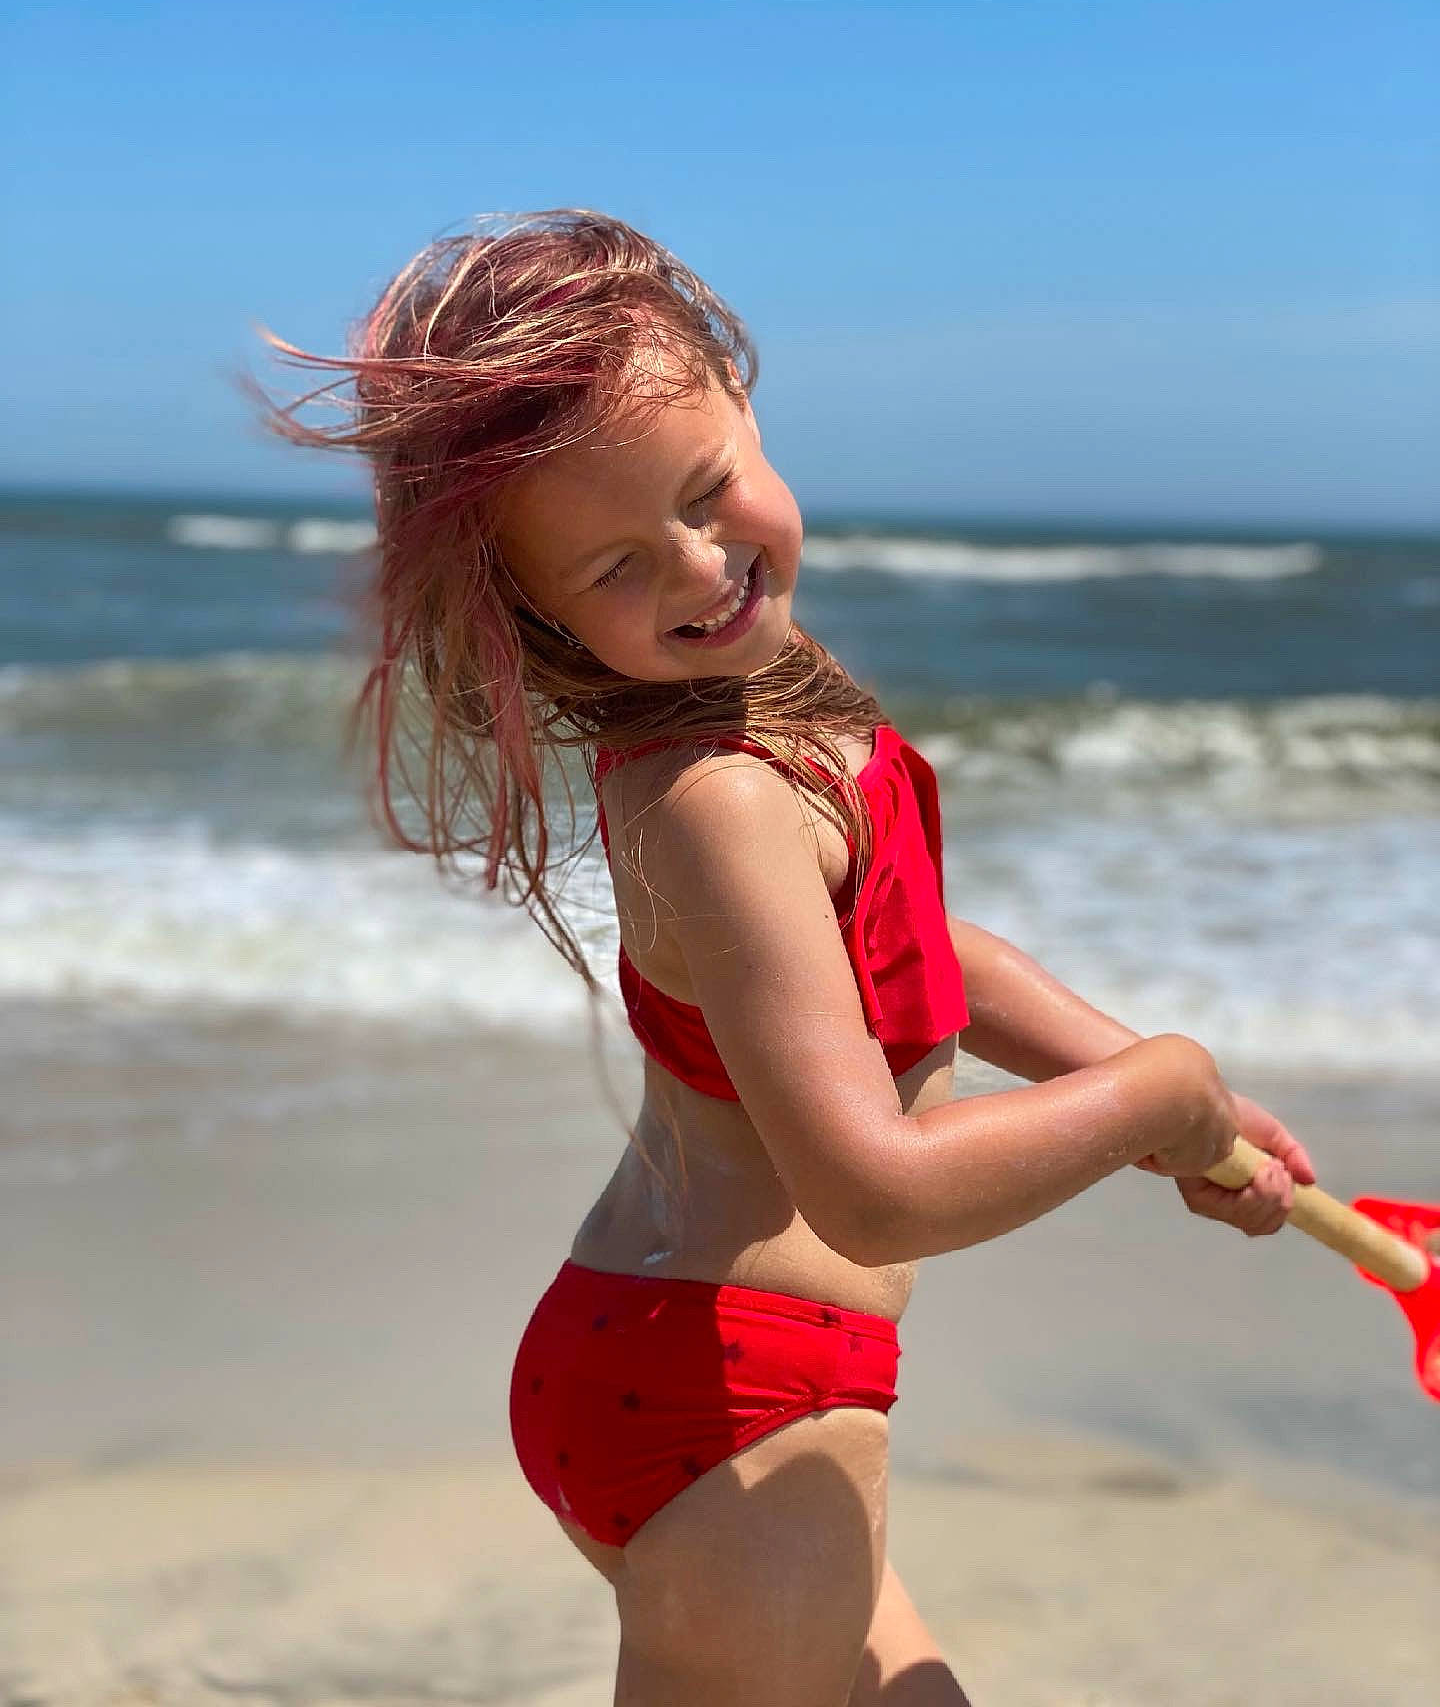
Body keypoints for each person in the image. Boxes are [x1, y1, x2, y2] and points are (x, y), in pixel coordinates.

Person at [254, 209, 1316, 1705]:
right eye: (621, 566)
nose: (703, 568)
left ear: (744, 400)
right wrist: (1160, 1095)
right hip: (740, 1403)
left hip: (681, 1356)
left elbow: (908, 941)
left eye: (710, 492)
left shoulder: (771, 706)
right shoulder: (719, 802)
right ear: (539, 615)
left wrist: (1156, 1096)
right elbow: (874, 1194)